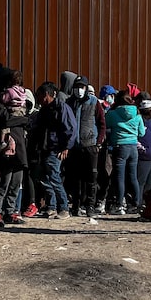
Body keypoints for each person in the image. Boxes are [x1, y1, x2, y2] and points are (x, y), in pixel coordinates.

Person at [0, 66, 29, 227]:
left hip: (19, 144)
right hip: (3, 144)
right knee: (2, 180)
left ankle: (10, 211)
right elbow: (4, 119)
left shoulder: (10, 94)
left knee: (16, 180)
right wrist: (23, 119)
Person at [29, 81, 77, 219]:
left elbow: (70, 128)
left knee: (54, 177)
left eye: (38, 96)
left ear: (46, 95)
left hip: (56, 149)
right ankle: (51, 206)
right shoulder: (44, 110)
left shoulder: (61, 108)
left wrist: (66, 147)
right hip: (44, 148)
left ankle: (63, 208)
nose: (37, 99)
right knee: (43, 178)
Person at [65, 76, 106, 216]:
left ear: (86, 88)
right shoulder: (69, 102)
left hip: (90, 145)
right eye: (77, 87)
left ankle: (90, 206)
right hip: (74, 146)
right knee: (75, 178)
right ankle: (76, 206)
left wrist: (99, 142)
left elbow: (102, 124)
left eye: (82, 87)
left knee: (91, 178)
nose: (79, 90)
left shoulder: (94, 102)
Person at [105, 90, 145, 215]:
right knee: (133, 176)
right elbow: (142, 133)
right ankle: (136, 203)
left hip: (119, 146)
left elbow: (106, 124)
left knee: (119, 177)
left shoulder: (113, 113)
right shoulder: (137, 114)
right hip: (133, 147)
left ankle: (119, 204)